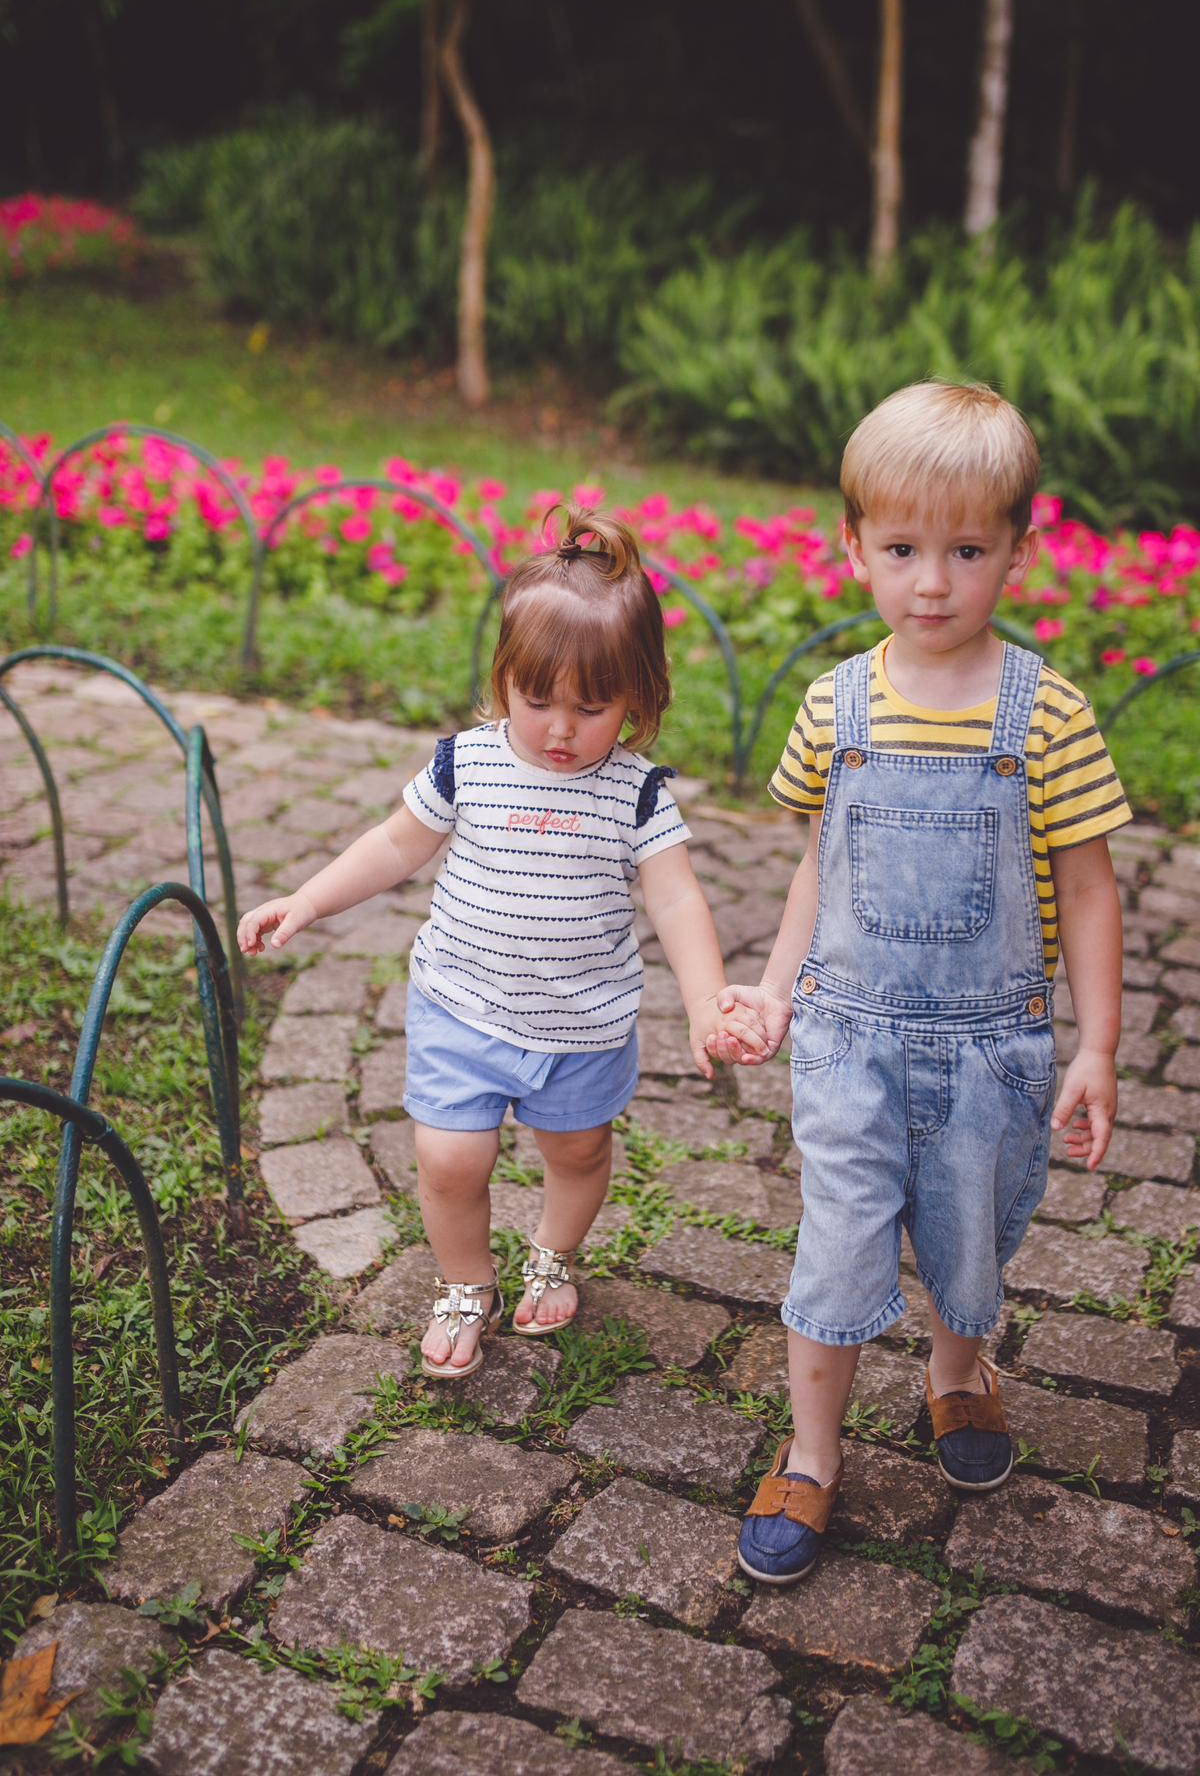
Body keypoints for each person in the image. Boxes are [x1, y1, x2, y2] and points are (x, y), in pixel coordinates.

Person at [709, 382, 1130, 1586]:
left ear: (1016, 548)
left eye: (965, 551)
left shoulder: (1044, 712)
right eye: (900, 551)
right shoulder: (831, 706)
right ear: (854, 547)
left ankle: (958, 1373)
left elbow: (1091, 887)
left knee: (968, 1246)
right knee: (836, 1248)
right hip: (849, 1042)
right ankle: (809, 1449)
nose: (932, 583)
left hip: (994, 1047)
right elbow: (817, 871)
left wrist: (1095, 1044)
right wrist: (779, 989)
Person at [238, 506, 767, 1379]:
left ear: (638, 697)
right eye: (538, 701)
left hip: (582, 1025)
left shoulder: (636, 795)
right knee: (449, 1157)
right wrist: (308, 900)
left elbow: (677, 901)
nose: (560, 729)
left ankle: (554, 1250)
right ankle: (464, 1282)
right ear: (504, 679)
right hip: (463, 1002)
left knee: (578, 1150)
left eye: (591, 708)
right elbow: (395, 844)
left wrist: (708, 1000)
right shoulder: (468, 763)